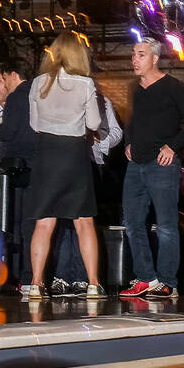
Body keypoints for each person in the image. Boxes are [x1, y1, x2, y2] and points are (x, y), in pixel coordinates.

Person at [120, 37, 184, 299]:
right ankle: (146, 278)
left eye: (141, 55)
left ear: (154, 59)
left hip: (162, 165)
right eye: (134, 55)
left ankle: (168, 282)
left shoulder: (174, 87)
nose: (135, 60)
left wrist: (173, 147)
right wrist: (128, 143)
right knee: (133, 223)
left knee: (167, 225)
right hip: (136, 165)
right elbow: (134, 122)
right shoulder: (136, 88)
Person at [27, 33, 106, 300]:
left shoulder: (38, 82)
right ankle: (93, 284)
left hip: (46, 154)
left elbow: (34, 125)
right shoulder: (85, 84)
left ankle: (36, 283)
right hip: (73, 154)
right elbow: (95, 124)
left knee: (44, 222)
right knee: (84, 222)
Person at [51, 91, 123, 297]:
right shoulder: (58, 97)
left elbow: (116, 133)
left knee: (84, 221)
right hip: (62, 163)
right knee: (64, 221)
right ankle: (62, 276)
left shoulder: (102, 100)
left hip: (91, 163)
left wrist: (100, 138)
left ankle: (83, 278)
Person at [0, 60, 38, 294]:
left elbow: (8, 131)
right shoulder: (38, 92)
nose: (3, 84)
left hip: (20, 168)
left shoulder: (18, 96)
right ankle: (31, 278)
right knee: (32, 224)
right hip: (38, 166)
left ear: (13, 75)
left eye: (3, 78)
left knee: (20, 226)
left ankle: (23, 278)